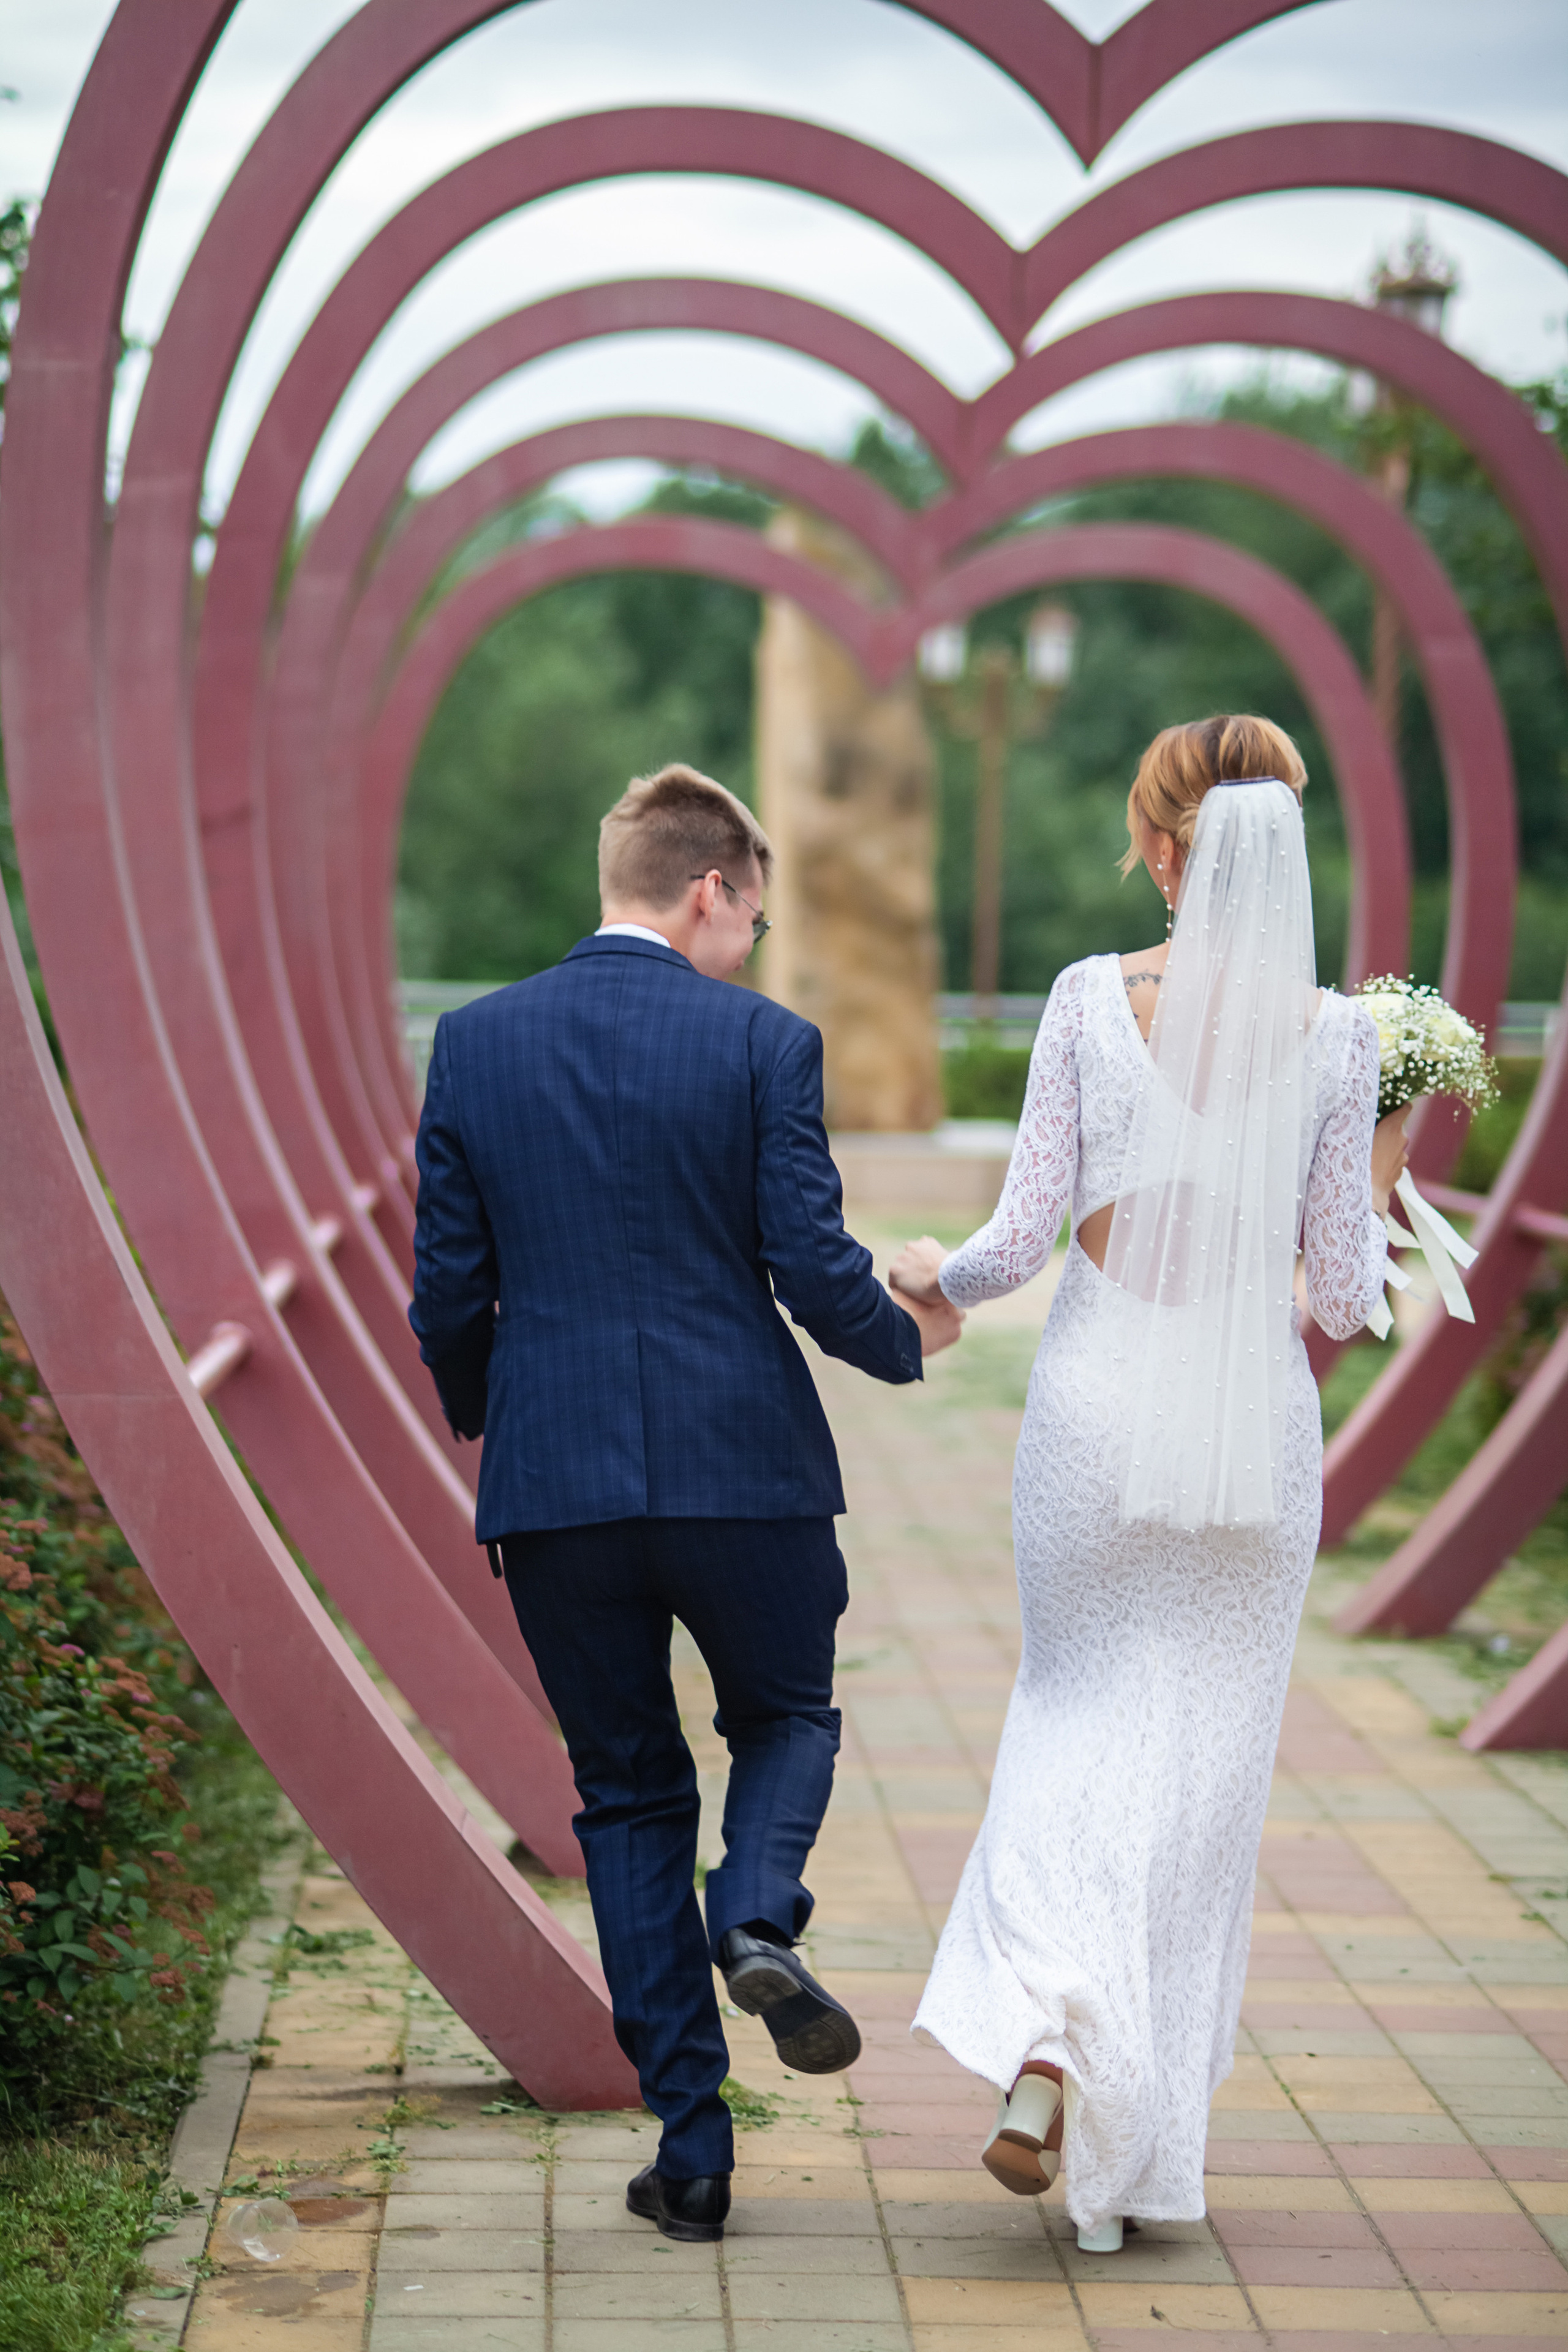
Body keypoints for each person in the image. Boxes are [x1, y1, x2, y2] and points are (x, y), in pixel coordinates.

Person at [409, 762, 962, 2245]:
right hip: (745, 1470)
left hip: (557, 1481)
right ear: (708, 890)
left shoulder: (474, 1043)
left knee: (627, 1796)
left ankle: (694, 2149)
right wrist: (906, 1339)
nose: (752, 951)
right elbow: (807, 1254)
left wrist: (496, 1417)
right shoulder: (762, 1044)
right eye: (751, 921)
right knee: (784, 1719)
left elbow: (448, 1288)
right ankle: (759, 1914)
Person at [891, 715, 1408, 2253]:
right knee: (1197, 1779)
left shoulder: (1078, 1000)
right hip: (1250, 1424)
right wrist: (1385, 1146)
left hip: (1098, 1410)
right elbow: (1339, 1300)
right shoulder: (1335, 1038)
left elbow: (1013, 1240)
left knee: (1069, 1709)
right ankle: (1121, 2125)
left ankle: (1047, 2031)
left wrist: (928, 1270)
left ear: (1168, 849)